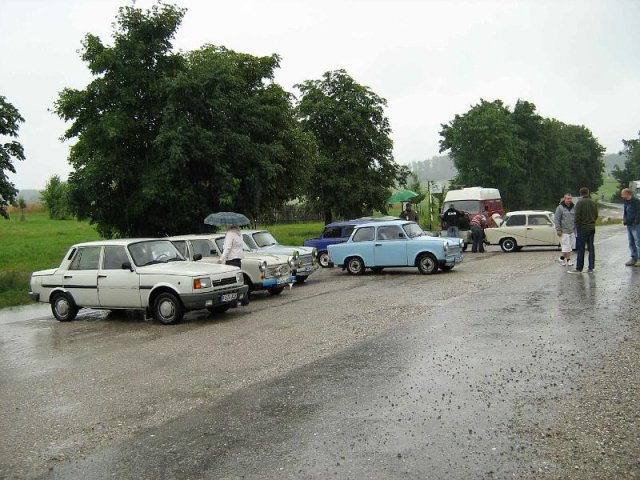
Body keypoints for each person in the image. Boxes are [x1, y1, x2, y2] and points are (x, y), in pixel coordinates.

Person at [568, 187, 598, 274]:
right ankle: (591, 267)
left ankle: (579, 268)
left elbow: (577, 217)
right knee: (591, 247)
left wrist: (576, 227)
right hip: (592, 227)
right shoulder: (593, 203)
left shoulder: (579, 203)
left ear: (580, 194)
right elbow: (596, 215)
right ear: (588, 193)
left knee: (581, 248)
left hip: (582, 228)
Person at [554, 193, 576, 266]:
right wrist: (558, 229)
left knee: (570, 246)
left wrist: (575, 228)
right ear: (564, 199)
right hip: (563, 231)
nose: (569, 200)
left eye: (570, 199)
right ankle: (569, 260)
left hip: (571, 230)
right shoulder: (560, 208)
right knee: (567, 246)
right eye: (567, 199)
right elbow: (557, 219)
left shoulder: (574, 207)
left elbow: (575, 219)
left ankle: (562, 258)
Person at [621, 187, 640, 266]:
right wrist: (624, 219)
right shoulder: (626, 202)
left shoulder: (636, 202)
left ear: (627, 194)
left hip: (636, 225)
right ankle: (633, 258)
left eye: (623, 194)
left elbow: (639, 212)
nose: (622, 196)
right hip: (629, 225)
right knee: (631, 242)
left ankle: (639, 259)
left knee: (638, 242)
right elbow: (625, 212)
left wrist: (636, 221)